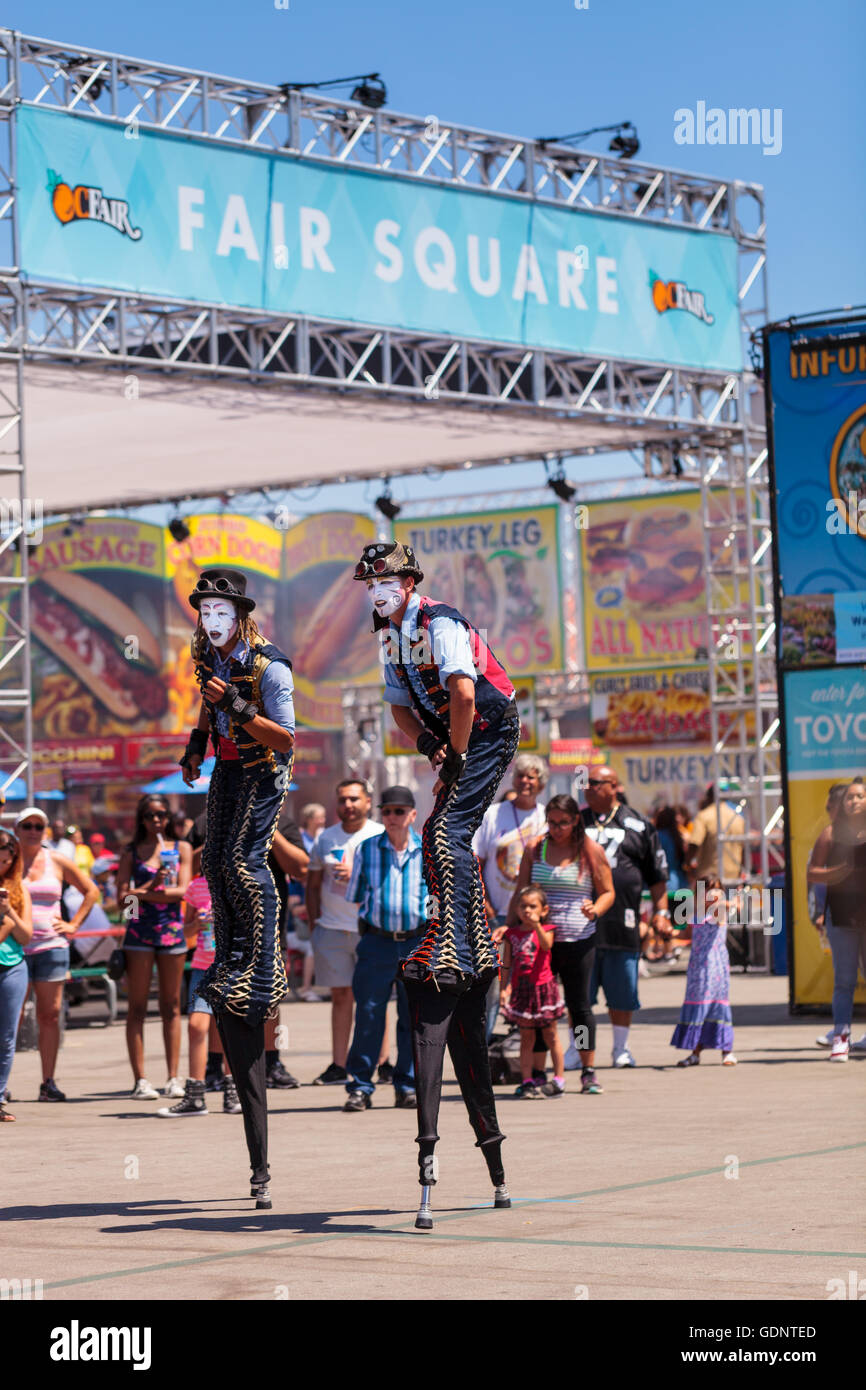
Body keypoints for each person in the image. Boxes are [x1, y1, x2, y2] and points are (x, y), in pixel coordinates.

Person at [353, 539, 519, 1226]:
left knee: (444, 833)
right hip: (454, 735)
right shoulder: (391, 640)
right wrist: (430, 749)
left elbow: (461, 692)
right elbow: (398, 708)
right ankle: (452, 929)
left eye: (383, 579)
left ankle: (453, 932)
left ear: (410, 580)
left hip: (487, 727)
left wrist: (452, 752)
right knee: (434, 831)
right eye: (368, 583)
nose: (375, 590)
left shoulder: (438, 622)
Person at [179, 567, 296, 1209]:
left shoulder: (270, 666)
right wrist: (198, 739)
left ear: (240, 613)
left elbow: (285, 738)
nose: (211, 617)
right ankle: (230, 955)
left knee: (247, 864)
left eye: (220, 607)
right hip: (226, 768)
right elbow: (209, 699)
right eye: (204, 608)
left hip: (263, 770)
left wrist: (235, 708)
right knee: (214, 864)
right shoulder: (210, 656)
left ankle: (261, 961)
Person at [510, 795, 615, 1094]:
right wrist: (510, 927)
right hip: (541, 942)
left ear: (575, 821)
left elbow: (608, 891)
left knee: (579, 1006)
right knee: (540, 1008)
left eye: (563, 823)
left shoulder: (588, 849)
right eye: (552, 822)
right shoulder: (536, 848)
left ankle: (587, 1069)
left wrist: (596, 908)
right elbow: (520, 890)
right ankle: (539, 1073)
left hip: (578, 939)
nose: (557, 829)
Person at [341, 785, 426, 1111]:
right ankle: (360, 1086)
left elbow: (435, 900)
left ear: (412, 815)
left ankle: (406, 1084)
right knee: (369, 1014)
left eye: (398, 811)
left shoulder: (426, 849)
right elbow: (356, 894)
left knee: (413, 1017)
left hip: (416, 942)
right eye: (386, 811)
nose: (391, 817)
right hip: (376, 942)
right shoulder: (367, 848)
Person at [580, 767, 669, 1068]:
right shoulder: (576, 822)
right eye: (586, 783)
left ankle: (621, 1049)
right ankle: (579, 1050)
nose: (588, 788)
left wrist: (661, 912)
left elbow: (657, 875)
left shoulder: (638, 824)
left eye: (595, 783)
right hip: (580, 923)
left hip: (624, 921)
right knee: (580, 997)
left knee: (622, 994)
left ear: (614, 787)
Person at [15, 806, 98, 1101]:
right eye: (27, 826)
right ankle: (4, 1083)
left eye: (39, 826)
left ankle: (47, 1082)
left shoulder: (57, 861)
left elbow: (91, 891)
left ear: (46, 831)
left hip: (52, 946)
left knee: (49, 1015)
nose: (33, 831)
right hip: (14, 948)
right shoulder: (7, 861)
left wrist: (73, 924)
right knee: (10, 1016)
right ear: (17, 830)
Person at [305, 780, 384, 1085]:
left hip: (371, 929)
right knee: (340, 996)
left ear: (367, 802)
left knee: (374, 999)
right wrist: (315, 923)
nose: (348, 805)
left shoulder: (379, 834)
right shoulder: (325, 838)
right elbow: (312, 884)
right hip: (334, 929)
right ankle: (339, 1064)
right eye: (342, 800)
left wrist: (359, 874)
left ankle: (382, 1061)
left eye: (354, 799)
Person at [116, 795, 193, 1101]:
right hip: (138, 932)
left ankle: (174, 1077)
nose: (156, 821)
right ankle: (141, 1080)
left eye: (162, 815)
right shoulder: (131, 851)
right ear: (141, 819)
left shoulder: (180, 848)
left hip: (172, 932)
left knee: (172, 1006)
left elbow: (180, 893)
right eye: (149, 815)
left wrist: (141, 893)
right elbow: (124, 901)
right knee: (136, 1007)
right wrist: (148, 890)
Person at [473, 753, 549, 1043]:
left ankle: (526, 1043)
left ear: (541, 784)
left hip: (531, 918)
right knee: (494, 982)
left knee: (529, 980)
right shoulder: (494, 814)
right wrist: (487, 909)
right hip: (496, 916)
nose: (526, 781)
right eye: (521, 775)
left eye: (532, 777)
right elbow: (476, 863)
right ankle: (485, 1042)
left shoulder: (545, 818)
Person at [158, 869, 241, 1117]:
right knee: (196, 1026)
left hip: (230, 968)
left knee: (228, 1029)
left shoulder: (241, 884)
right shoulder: (196, 887)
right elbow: (184, 933)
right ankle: (195, 1096)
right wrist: (198, 924)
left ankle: (233, 1093)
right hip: (202, 968)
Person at [806, 777, 866, 1062]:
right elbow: (812, 873)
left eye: (860, 796)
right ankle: (841, 1037)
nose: (854, 801)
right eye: (850, 798)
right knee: (844, 980)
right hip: (840, 914)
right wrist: (837, 873)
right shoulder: (830, 834)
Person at [500, 886, 565, 1096]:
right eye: (523, 906)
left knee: (551, 1035)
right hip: (522, 990)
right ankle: (527, 1080)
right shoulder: (511, 934)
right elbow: (506, 964)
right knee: (526, 1037)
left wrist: (537, 925)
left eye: (532, 906)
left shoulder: (547, 930)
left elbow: (546, 947)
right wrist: (503, 989)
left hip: (544, 988)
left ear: (543, 910)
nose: (527, 910)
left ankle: (558, 1079)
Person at [671, 878, 736, 1066]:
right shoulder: (695, 914)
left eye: (717, 890)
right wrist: (670, 932)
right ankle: (695, 1053)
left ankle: (727, 1052)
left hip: (716, 969)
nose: (713, 894)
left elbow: (725, 905)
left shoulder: (718, 912)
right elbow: (686, 935)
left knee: (717, 1007)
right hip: (697, 970)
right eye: (708, 890)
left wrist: (730, 900)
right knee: (698, 1007)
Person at [0, 829, 34, 1122]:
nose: (3, 868)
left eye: (7, 863)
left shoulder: (19, 889)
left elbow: (26, 936)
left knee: (7, 1037)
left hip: (12, 966)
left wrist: (9, 909)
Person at [652, 805, 691, 962]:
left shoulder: (658, 836)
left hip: (664, 883)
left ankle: (667, 950)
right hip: (680, 882)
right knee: (677, 921)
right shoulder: (678, 835)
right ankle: (672, 949)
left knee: (663, 918)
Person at [690, 784, 745, 884]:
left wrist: (688, 865)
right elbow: (744, 848)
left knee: (705, 900)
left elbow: (694, 844)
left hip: (708, 878)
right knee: (729, 900)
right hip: (733, 877)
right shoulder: (738, 818)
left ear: (709, 796)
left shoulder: (703, 816)